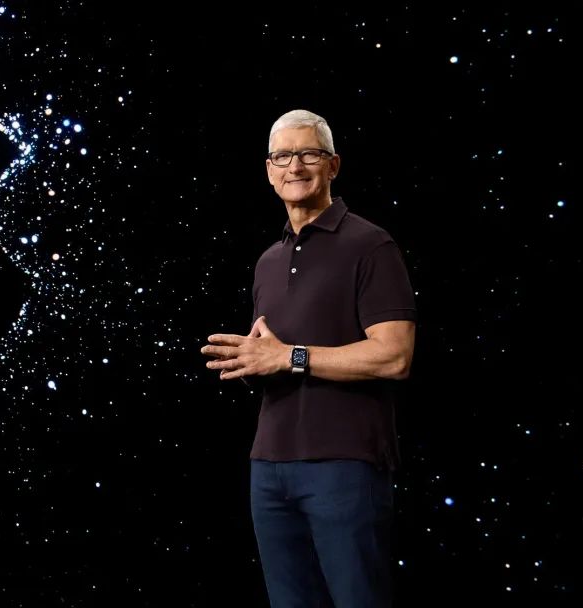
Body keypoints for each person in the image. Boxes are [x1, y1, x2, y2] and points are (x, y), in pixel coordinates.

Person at [200, 109, 417, 608]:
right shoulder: (268, 260)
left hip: (345, 465)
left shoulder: (371, 245)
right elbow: (272, 356)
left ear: (333, 165)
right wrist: (251, 361)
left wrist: (287, 357)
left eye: (309, 154)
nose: (294, 166)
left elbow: (394, 356)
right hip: (268, 470)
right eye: (282, 156)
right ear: (268, 170)